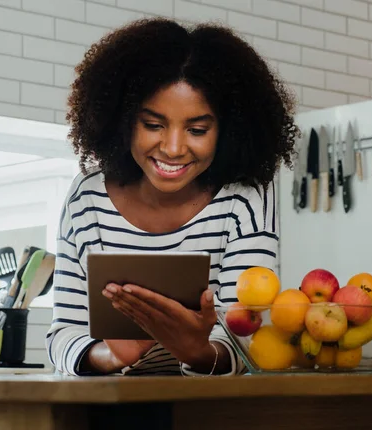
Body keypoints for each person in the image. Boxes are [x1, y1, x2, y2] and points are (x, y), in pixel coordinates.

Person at [46, 17, 298, 376]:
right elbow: (62, 333)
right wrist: (113, 355)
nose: (174, 148)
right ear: (122, 120)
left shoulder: (244, 198)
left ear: (227, 132)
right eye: (153, 125)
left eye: (197, 129)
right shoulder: (87, 198)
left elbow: (246, 342)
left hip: (208, 411)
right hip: (108, 407)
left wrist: (198, 353)